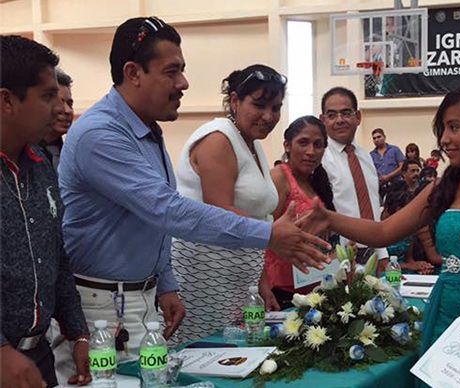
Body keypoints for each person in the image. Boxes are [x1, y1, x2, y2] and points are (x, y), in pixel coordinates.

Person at [57, 17, 329, 376]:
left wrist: (165, 282)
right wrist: (268, 234)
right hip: (103, 309)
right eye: (172, 72)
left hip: (143, 300)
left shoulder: (147, 130)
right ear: (133, 72)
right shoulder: (101, 134)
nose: (184, 83)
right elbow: (169, 211)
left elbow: (151, 222)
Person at [305, 79, 460, 387]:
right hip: (446, 312)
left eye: (454, 127)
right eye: (443, 129)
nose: (445, 139)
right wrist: (329, 218)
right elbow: (383, 232)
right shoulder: (443, 187)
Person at [170, 64, 288, 341]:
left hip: (240, 274)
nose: (269, 116)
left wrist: (261, 282)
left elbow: (257, 217)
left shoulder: (252, 142)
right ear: (234, 100)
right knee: (209, 356)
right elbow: (220, 212)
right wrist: (276, 237)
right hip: (205, 273)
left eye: (276, 108)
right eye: (259, 105)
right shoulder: (218, 139)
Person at [0, 35, 90, 388]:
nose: (60, 108)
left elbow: (56, 257)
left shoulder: (41, 166)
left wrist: (78, 331)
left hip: (37, 358)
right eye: (47, 96)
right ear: (7, 100)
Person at [262, 116, 337, 310]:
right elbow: (261, 233)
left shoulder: (316, 183)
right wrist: (261, 286)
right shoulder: (279, 177)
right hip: (280, 289)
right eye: (303, 143)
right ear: (287, 145)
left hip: (313, 287)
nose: (311, 151)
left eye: (318, 145)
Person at [319, 87, 389, 269]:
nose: (339, 120)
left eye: (346, 113)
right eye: (332, 115)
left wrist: (382, 254)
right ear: (323, 120)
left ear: (358, 117)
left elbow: (374, 208)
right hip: (339, 258)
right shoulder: (320, 160)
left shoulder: (365, 157)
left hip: (373, 253)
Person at [38, 68, 73, 172]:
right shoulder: (21, 154)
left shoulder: (73, 152)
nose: (67, 111)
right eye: (59, 102)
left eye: (70, 104)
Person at [369, 127, 405, 198]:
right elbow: (371, 171)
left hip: (396, 185)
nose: (376, 139)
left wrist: (388, 177)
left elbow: (402, 167)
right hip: (380, 187)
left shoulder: (394, 150)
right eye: (374, 138)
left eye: (379, 137)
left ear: (384, 137)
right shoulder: (371, 155)